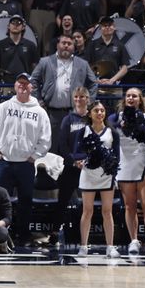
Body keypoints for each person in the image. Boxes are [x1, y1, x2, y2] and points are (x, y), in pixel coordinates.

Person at [0, 73, 51, 248]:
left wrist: (35, 156)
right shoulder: (3, 107)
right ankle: (0, 236)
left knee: (25, 202)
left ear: (31, 88)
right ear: (14, 86)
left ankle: (24, 236)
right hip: (4, 162)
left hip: (26, 165)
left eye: (26, 83)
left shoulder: (39, 112)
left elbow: (46, 139)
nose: (22, 86)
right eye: (19, 82)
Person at [110, 86, 145, 254]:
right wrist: (120, 125)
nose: (131, 98)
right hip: (125, 162)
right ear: (124, 99)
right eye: (128, 96)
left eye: (134, 96)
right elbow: (105, 125)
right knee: (129, 205)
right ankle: (134, 240)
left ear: (140, 100)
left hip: (142, 160)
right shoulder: (117, 117)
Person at [72, 99, 119, 257]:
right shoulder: (83, 131)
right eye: (96, 111)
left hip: (106, 175)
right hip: (88, 174)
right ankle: (83, 246)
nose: (100, 113)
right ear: (90, 114)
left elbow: (117, 156)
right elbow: (76, 153)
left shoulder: (112, 132)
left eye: (102, 111)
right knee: (87, 211)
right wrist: (84, 159)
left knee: (107, 211)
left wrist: (108, 161)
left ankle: (110, 247)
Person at [31, 33, 98, 138]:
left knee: (73, 144)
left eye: (69, 44)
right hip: (51, 112)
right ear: (58, 45)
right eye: (63, 43)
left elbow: (93, 83)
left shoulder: (83, 64)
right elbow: (33, 80)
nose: (66, 45)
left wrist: (88, 102)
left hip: (74, 112)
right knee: (52, 146)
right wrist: (38, 99)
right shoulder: (45, 61)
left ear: (73, 46)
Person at [55, 86, 92, 245]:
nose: (78, 99)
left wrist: (88, 161)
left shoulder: (92, 118)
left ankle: (86, 234)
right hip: (71, 166)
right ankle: (55, 231)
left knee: (88, 202)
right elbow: (62, 145)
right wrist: (73, 161)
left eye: (82, 97)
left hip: (90, 167)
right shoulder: (68, 119)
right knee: (62, 199)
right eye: (76, 97)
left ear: (87, 99)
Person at [0, 15, 40, 81]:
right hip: (5, 83)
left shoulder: (30, 45)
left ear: (23, 27)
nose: (15, 25)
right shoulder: (0, 44)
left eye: (18, 23)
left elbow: (35, 66)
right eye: (13, 23)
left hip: (25, 83)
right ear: (8, 26)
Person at [87, 15, 132, 85]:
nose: (107, 27)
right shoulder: (92, 44)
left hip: (114, 84)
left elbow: (125, 67)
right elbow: (87, 64)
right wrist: (95, 79)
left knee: (115, 96)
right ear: (100, 28)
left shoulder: (120, 45)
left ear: (114, 27)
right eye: (104, 25)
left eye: (110, 25)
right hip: (96, 84)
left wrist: (112, 80)